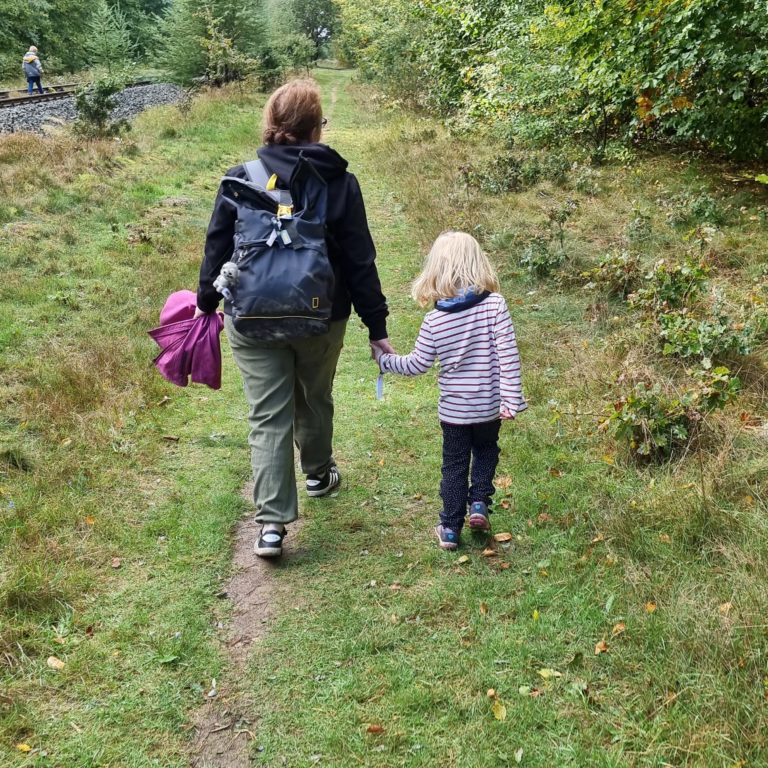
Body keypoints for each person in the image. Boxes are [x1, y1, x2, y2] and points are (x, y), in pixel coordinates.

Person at [196, 78, 393, 558]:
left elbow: (217, 248)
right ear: (315, 129)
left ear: (271, 123)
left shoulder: (239, 178)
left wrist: (205, 303)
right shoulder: (338, 182)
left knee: (268, 415)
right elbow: (359, 260)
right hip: (323, 315)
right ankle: (319, 473)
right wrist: (377, 327)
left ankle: (271, 525)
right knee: (314, 396)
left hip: (251, 316)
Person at [372, 231, 526, 550]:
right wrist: (511, 399)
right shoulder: (495, 305)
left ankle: (451, 529)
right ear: (478, 263)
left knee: (454, 465)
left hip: (454, 412)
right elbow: (508, 354)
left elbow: (417, 364)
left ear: (436, 269)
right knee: (486, 450)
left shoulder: (435, 321)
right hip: (488, 406)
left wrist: (385, 361)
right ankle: (479, 503)